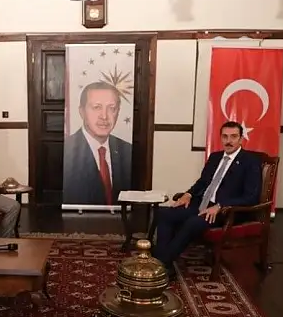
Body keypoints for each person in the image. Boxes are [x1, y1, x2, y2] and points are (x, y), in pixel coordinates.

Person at [153, 121, 262, 275]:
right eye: (225, 137)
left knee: (193, 223)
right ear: (220, 138)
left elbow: (251, 197)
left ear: (241, 139)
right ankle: (163, 262)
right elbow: (203, 182)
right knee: (166, 214)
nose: (229, 141)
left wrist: (220, 205)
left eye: (233, 137)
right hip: (203, 203)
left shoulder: (250, 162)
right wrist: (188, 194)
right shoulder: (215, 157)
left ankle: (161, 264)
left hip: (227, 210)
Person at [63, 81, 133, 206]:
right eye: (97, 107)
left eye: (112, 108)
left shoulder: (128, 151)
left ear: (118, 112)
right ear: (82, 111)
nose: (104, 116)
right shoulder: (66, 150)